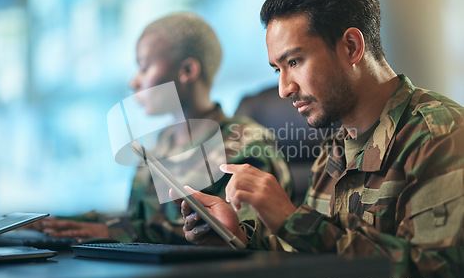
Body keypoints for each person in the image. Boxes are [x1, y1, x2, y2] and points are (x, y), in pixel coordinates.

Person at [177, 0, 464, 278]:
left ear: (353, 47)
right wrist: (236, 237)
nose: (284, 89)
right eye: (277, 70)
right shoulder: (335, 148)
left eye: (294, 62)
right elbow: (313, 252)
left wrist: (290, 219)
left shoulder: (440, 133)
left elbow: (437, 277)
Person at [34, 12, 292, 245]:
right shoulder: (160, 144)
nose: (134, 81)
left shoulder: (246, 142)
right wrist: (49, 221)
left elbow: (242, 238)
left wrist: (119, 232)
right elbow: (138, 221)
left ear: (187, 71)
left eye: (144, 67)